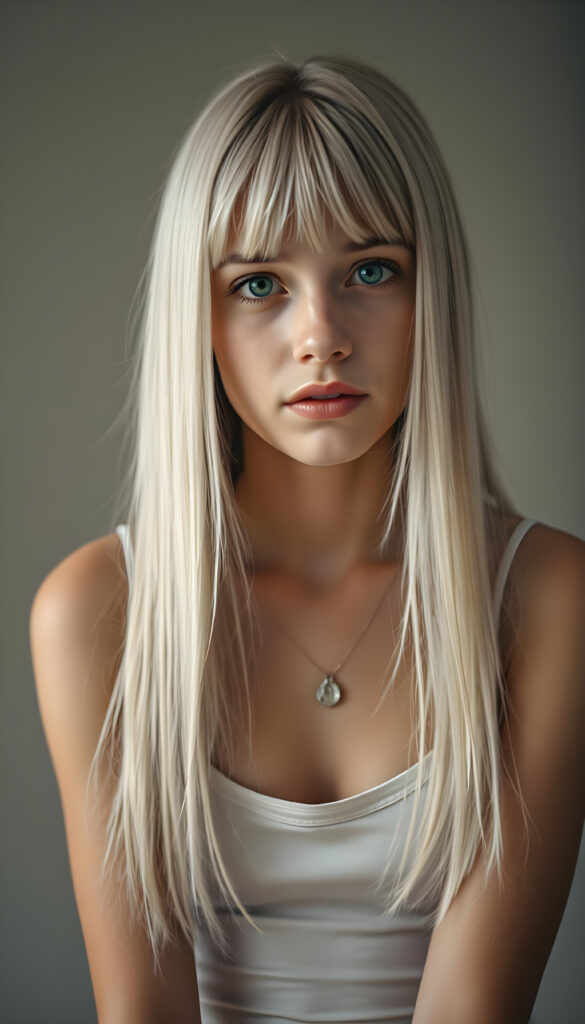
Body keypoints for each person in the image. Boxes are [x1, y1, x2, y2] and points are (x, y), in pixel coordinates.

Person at [30, 55, 585, 1024]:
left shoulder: (549, 596)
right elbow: (139, 1009)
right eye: (258, 284)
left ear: (432, 293)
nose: (320, 333)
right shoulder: (96, 609)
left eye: (371, 270)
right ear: (193, 314)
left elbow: (477, 1006)